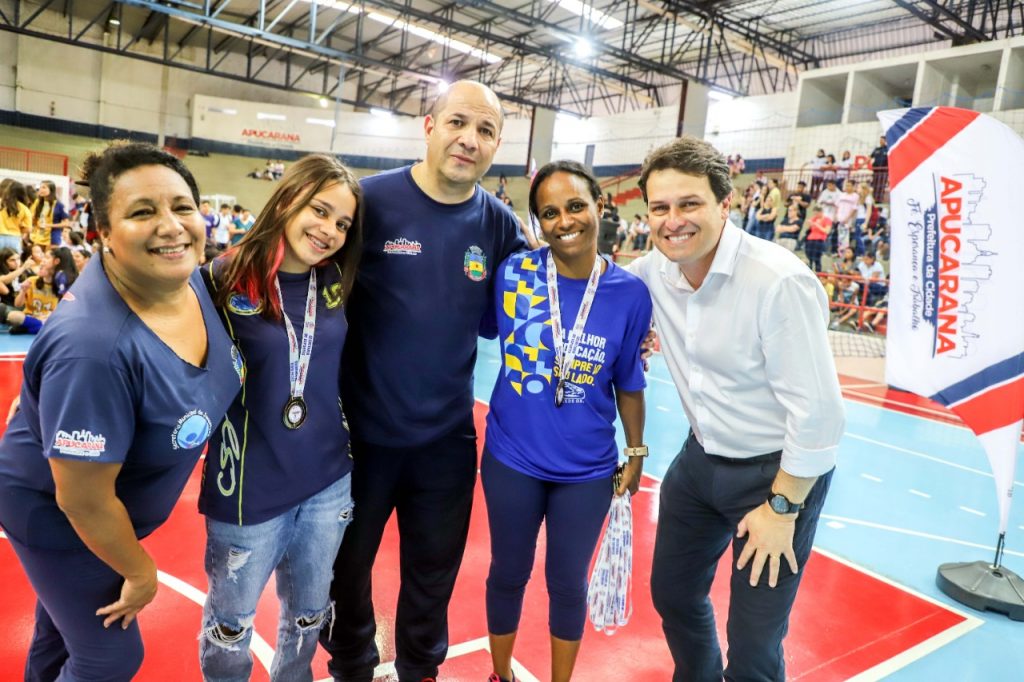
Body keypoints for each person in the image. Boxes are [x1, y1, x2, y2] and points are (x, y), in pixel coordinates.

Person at [0, 142, 241, 681]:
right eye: (141, 212)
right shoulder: (95, 349)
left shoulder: (191, 282)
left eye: (182, 207)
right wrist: (139, 571)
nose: (171, 226)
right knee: (107, 656)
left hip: (104, 508)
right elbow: (82, 500)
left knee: (61, 631)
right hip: (59, 518)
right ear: (103, 234)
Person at [320, 80, 531, 682]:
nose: (470, 139)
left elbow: (547, 298)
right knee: (345, 570)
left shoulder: (499, 224)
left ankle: (420, 672)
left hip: (444, 442)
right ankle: (353, 668)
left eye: (486, 130)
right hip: (357, 436)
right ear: (429, 125)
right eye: (459, 122)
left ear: (496, 146)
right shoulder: (369, 201)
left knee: (433, 573)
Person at [626, 136, 844, 681]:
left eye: (689, 203)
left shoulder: (777, 281)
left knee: (753, 644)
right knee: (673, 595)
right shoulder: (651, 272)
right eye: (660, 207)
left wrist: (783, 509)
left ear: (726, 204)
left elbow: (819, 416)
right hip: (700, 464)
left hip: (777, 476)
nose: (673, 220)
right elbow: (592, 295)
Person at [482, 161, 651, 682]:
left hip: (587, 468)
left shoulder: (630, 294)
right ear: (537, 224)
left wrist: (637, 451)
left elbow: (629, 378)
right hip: (512, 457)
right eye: (549, 213)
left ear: (601, 206)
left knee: (567, 582)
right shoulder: (515, 273)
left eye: (575, 206)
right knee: (508, 572)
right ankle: (501, 674)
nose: (564, 221)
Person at [198, 154, 364, 681]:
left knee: (310, 616)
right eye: (320, 210)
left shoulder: (336, 282)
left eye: (342, 223)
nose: (330, 230)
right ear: (288, 197)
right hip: (247, 489)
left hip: (328, 483)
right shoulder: (220, 279)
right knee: (230, 627)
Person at [1, 181, 32, 252]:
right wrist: (19, 228)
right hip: (14, 239)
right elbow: (28, 229)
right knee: (14, 261)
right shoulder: (24, 208)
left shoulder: (1, 203)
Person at [870, 135, 888, 203]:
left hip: (884, 171)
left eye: (882, 140)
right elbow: (870, 157)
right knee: (875, 185)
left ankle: (879, 200)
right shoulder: (876, 149)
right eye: (880, 140)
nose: (880, 141)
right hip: (876, 171)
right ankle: (874, 199)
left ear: (885, 141)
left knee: (881, 186)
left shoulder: (888, 149)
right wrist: (860, 165)